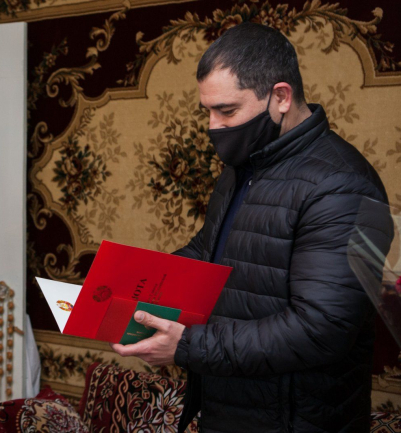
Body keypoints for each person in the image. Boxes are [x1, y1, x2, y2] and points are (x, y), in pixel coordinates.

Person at [111, 23, 392, 432]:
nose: (213, 126)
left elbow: (321, 329)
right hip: (230, 407)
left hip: (295, 421)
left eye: (227, 111)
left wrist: (188, 346)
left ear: (281, 97)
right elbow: (209, 252)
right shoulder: (243, 166)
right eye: (207, 111)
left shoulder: (343, 185)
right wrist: (123, 286)